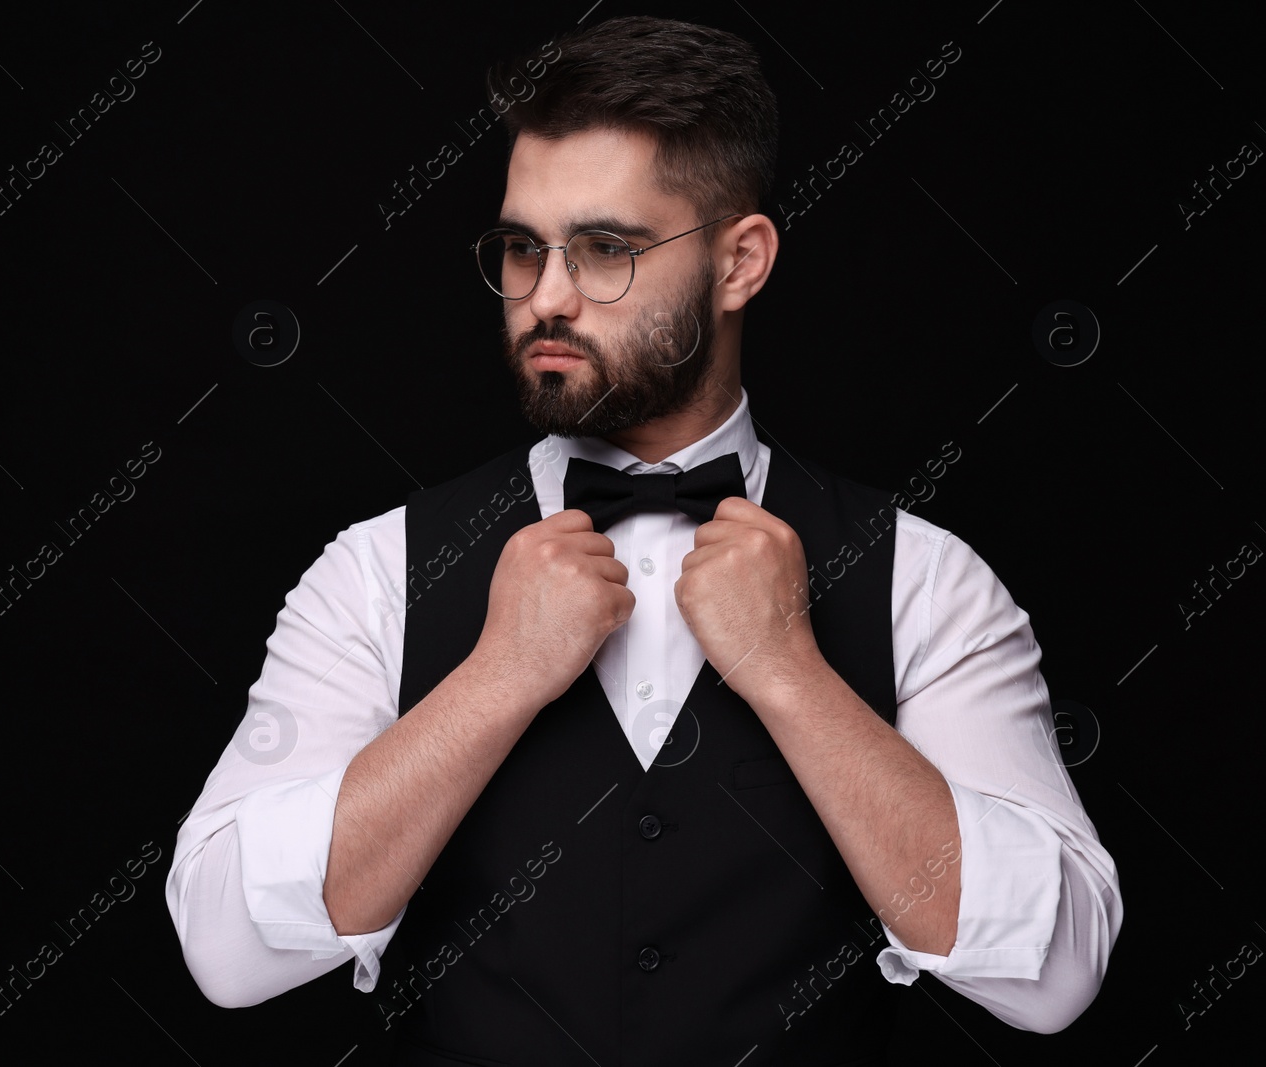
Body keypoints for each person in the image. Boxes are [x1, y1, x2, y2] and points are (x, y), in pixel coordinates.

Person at [166, 15, 1121, 1064]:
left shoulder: (923, 582)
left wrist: (790, 674)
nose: (549, 296)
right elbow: (225, 948)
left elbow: (1056, 973)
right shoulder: (377, 570)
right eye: (523, 247)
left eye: (606, 249)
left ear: (739, 262)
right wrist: (496, 678)